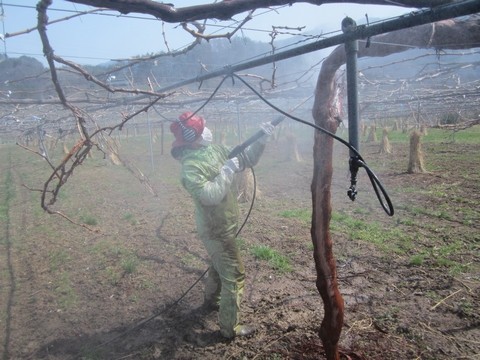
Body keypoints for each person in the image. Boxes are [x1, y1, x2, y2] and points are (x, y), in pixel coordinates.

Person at [170, 111, 274, 339]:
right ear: (193, 136)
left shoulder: (213, 150)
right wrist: (226, 171)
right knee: (235, 275)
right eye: (203, 127)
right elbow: (209, 196)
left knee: (218, 265)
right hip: (215, 231)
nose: (209, 130)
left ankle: (211, 301)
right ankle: (230, 328)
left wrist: (261, 140)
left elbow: (245, 159)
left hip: (225, 224)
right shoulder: (190, 167)